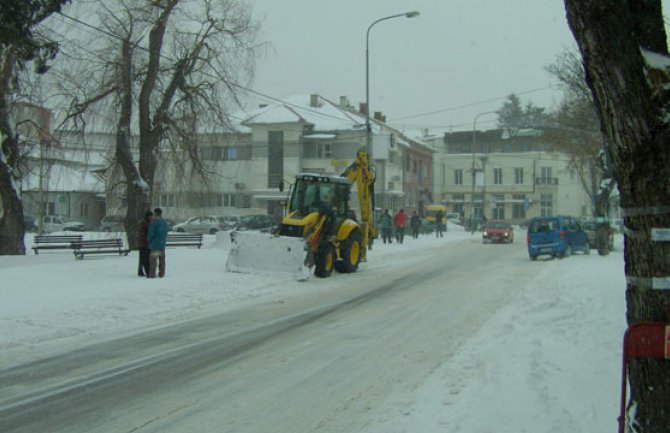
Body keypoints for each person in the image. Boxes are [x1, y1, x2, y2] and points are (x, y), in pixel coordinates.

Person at [148, 207, 169, 278]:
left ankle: (152, 274)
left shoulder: (154, 222)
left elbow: (151, 233)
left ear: (155, 213)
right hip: (162, 244)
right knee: (162, 260)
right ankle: (161, 273)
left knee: (153, 261)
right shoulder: (164, 222)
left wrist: (149, 239)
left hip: (155, 244)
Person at [137, 210, 153, 277]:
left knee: (142, 258)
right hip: (144, 243)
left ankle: (140, 271)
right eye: (150, 216)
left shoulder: (147, 222)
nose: (151, 217)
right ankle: (147, 271)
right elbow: (142, 233)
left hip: (144, 243)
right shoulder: (143, 222)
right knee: (145, 258)